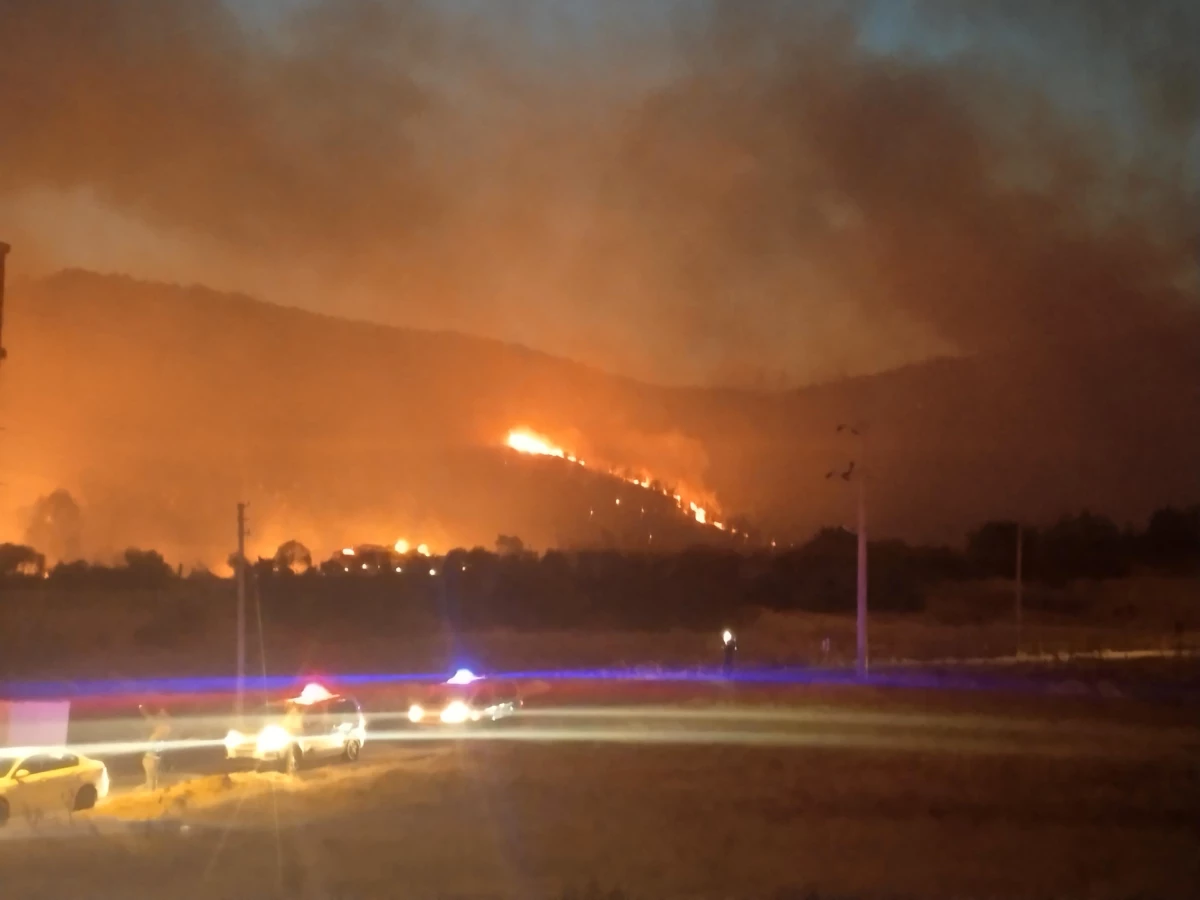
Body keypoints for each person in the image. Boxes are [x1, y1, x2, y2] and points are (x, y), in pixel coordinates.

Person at [139, 704, 171, 791]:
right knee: (152, 779)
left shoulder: (160, 733)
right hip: (153, 758)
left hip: (151, 758)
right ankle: (152, 792)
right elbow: (151, 720)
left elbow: (150, 720)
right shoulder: (162, 734)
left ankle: (151, 793)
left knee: (151, 779)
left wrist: (142, 709)